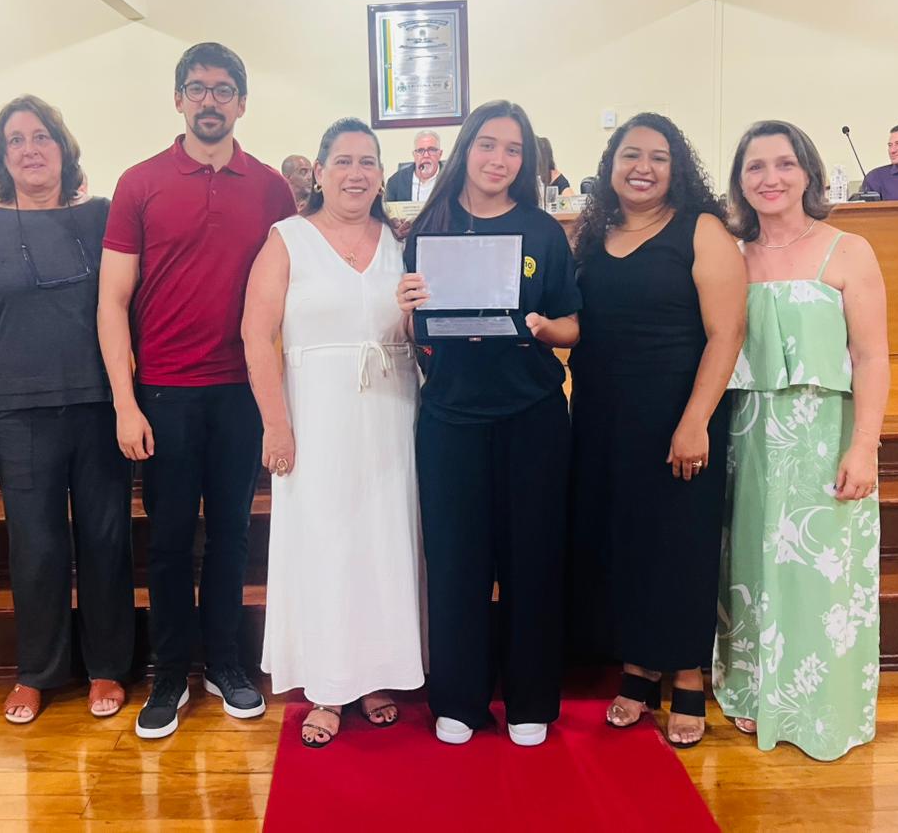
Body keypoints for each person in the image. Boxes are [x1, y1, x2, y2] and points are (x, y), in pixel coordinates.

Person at [98, 42, 297, 740]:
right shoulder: (139, 183)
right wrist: (125, 402)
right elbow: (112, 300)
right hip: (164, 393)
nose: (210, 101)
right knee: (171, 540)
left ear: (242, 102)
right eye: (198, 88)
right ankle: (169, 672)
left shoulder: (271, 189)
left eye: (223, 90)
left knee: (233, 536)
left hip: (240, 391)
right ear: (179, 98)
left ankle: (226, 663)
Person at [0, 95, 135, 725]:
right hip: (17, 411)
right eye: (16, 140)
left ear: (62, 146)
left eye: (41, 136)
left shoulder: (102, 216)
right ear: (1, 156)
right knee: (37, 545)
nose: (30, 149)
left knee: (106, 538)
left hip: (99, 404)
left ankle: (107, 665)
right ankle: (37, 671)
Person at [396, 100, 582, 748]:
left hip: (532, 416)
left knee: (533, 559)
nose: (498, 159)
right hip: (450, 419)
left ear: (525, 160)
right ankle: (458, 698)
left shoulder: (543, 231)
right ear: (465, 150)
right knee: (455, 561)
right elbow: (415, 334)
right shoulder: (429, 228)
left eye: (512, 149)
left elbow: (573, 325)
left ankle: (530, 702)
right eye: (487, 145)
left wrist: (542, 327)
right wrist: (408, 311)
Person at [566, 112, 746, 748]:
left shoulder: (701, 230)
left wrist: (695, 421)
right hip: (601, 415)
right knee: (623, 542)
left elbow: (727, 333)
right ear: (610, 165)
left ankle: (687, 674)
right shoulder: (594, 233)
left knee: (678, 544)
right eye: (630, 155)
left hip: (676, 413)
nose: (642, 168)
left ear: (678, 169)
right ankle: (639, 669)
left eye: (658, 157)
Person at [243, 118, 424, 748]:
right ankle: (326, 685)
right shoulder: (287, 239)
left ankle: (377, 674)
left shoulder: (401, 243)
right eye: (343, 161)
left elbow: (412, 334)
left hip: (392, 413)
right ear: (319, 172)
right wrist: (276, 424)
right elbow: (255, 334)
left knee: (383, 542)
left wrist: (415, 316)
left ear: (382, 174)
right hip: (316, 417)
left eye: (368, 162)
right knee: (326, 544)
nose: (356, 174)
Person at [714, 120, 887, 761]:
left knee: (821, 572)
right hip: (746, 433)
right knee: (749, 567)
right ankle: (753, 687)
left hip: (823, 433)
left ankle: (820, 699)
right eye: (755, 167)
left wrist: (864, 445)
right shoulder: (731, 256)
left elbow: (871, 356)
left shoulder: (849, 250)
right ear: (740, 182)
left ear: (808, 172)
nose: (771, 178)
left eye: (784, 164)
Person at [385, 129, 443, 202]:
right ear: (414, 155)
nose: (426, 155)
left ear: (440, 154)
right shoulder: (395, 182)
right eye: (420, 150)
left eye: (431, 150)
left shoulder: (452, 179)